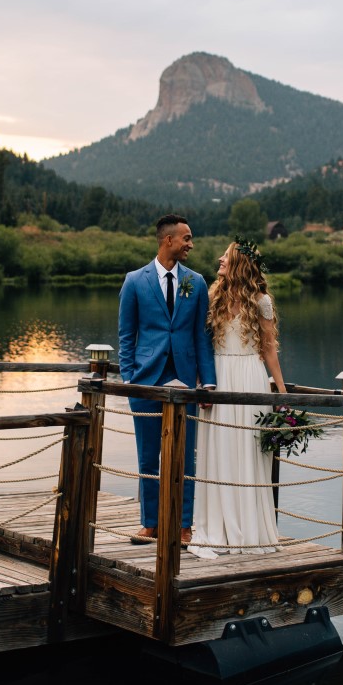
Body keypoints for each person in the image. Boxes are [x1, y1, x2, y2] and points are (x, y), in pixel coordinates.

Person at [118, 214, 217, 546]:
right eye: (186, 238)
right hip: (145, 381)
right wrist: (130, 379)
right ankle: (150, 523)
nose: (191, 244)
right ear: (168, 240)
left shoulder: (197, 282)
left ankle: (183, 525)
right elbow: (126, 336)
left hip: (186, 381)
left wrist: (208, 383)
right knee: (148, 457)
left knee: (185, 458)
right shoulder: (134, 281)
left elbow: (203, 339)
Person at [189, 237, 284, 559]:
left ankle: (249, 529)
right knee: (219, 450)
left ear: (239, 265)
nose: (219, 259)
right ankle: (216, 525)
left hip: (249, 378)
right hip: (218, 379)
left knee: (246, 450)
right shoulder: (212, 296)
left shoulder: (262, 301)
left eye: (226, 257)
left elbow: (269, 350)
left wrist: (281, 395)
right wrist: (203, 381)